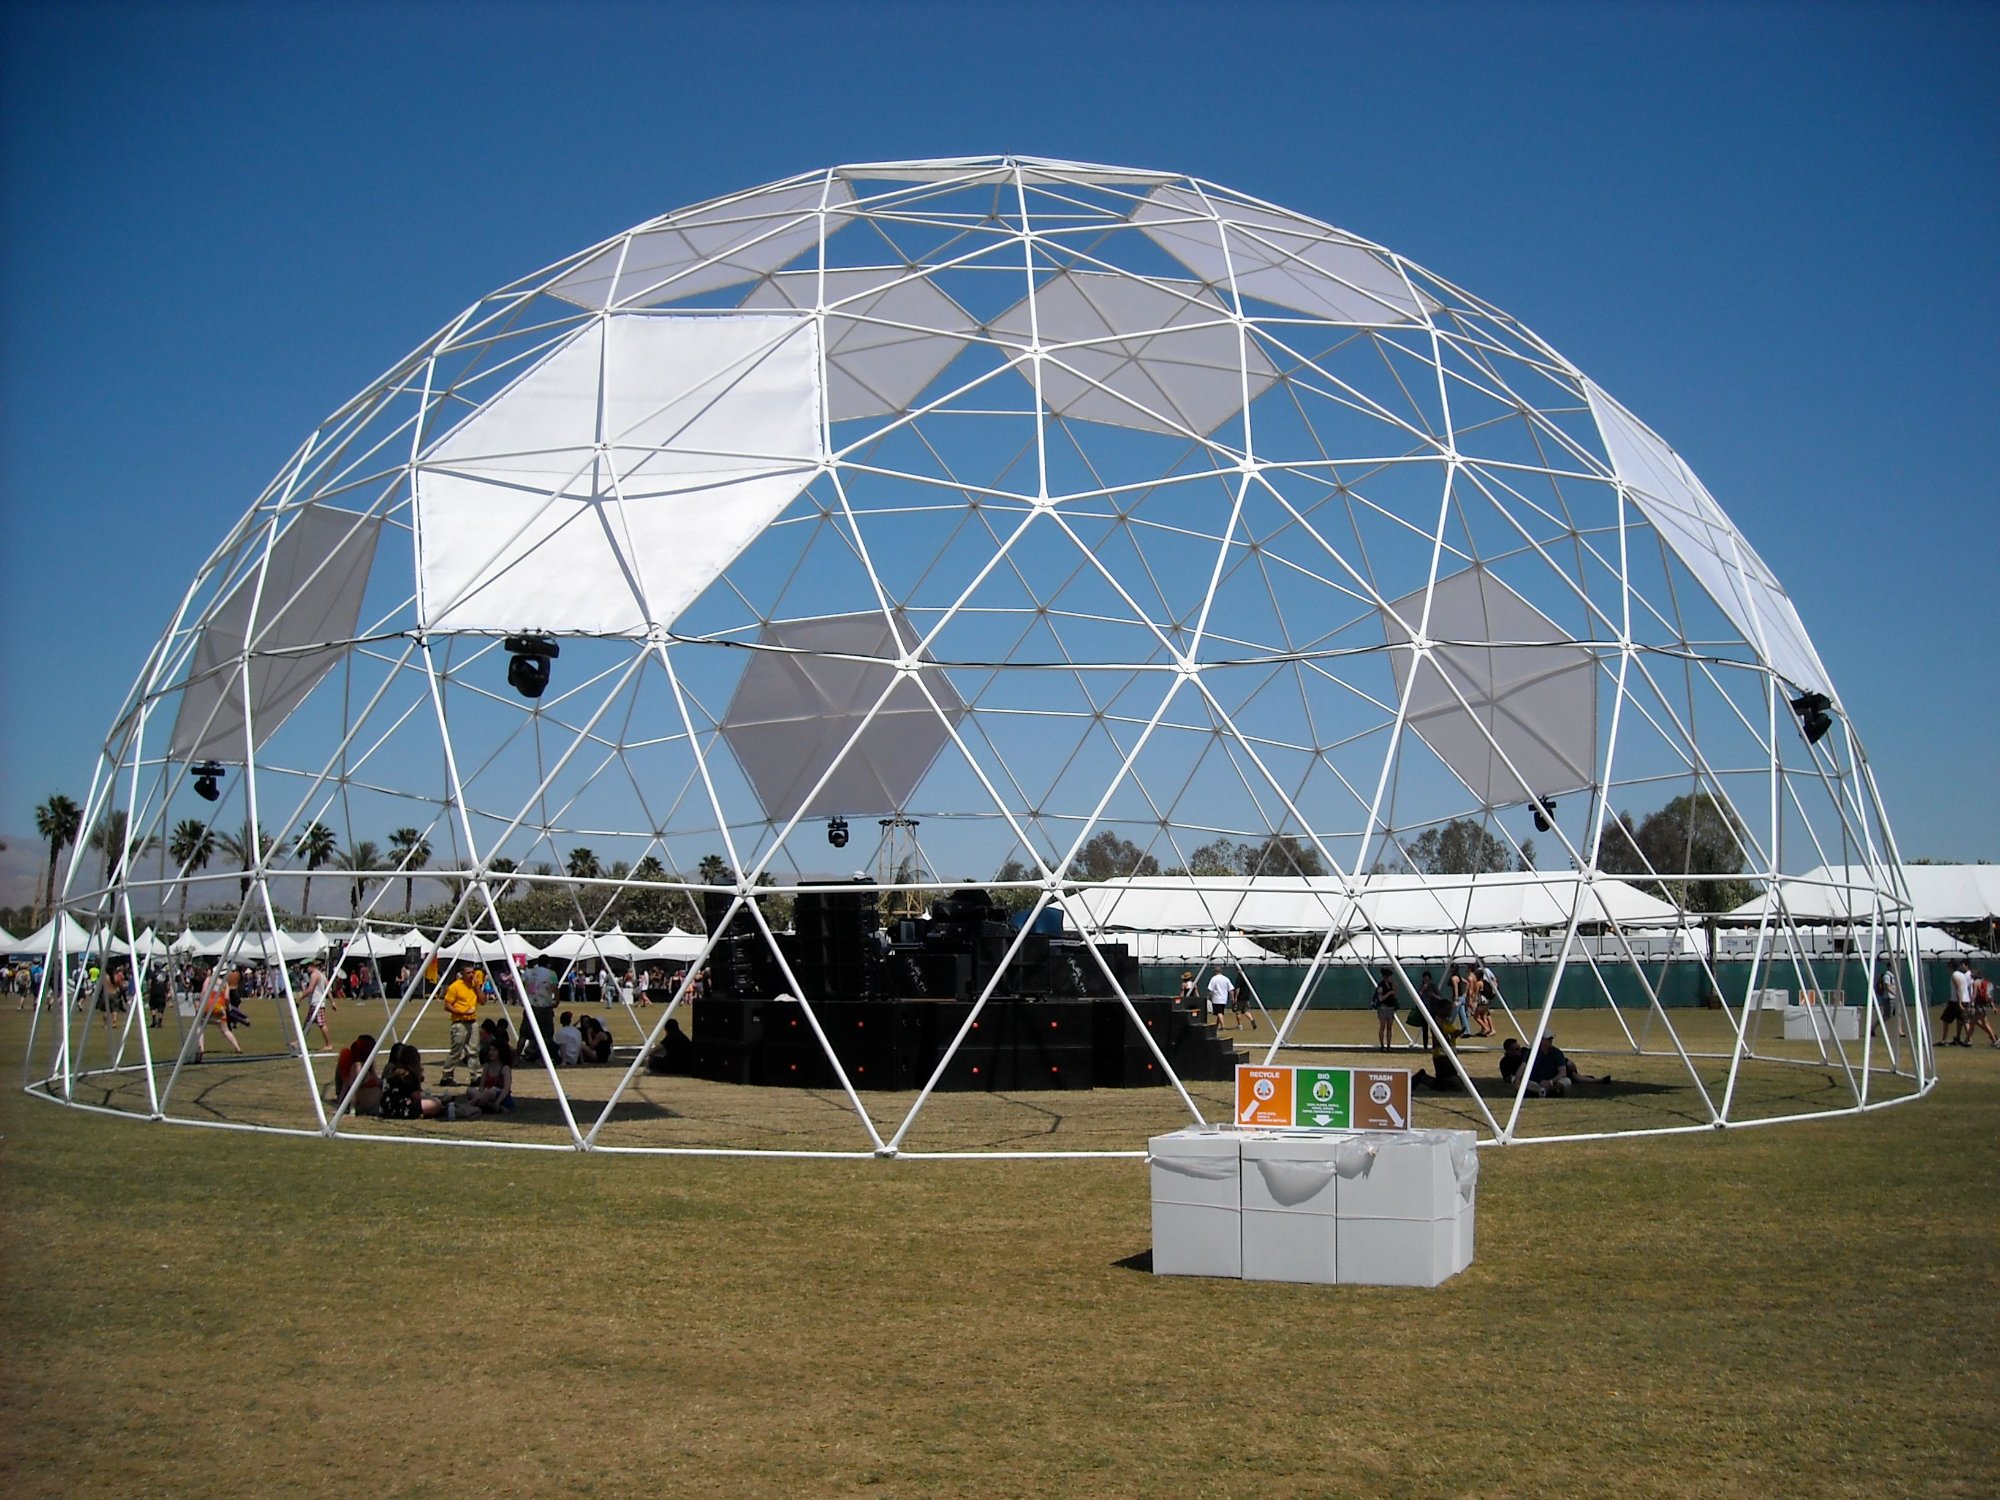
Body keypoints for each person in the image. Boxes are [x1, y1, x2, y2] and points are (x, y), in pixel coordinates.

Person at [1523, 1032, 1611, 1097]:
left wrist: (1551, 1081)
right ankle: (1542, 1091)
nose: (1551, 1041)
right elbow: (1522, 1070)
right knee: (1524, 1082)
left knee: (1570, 1079)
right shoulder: (1531, 1053)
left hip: (1555, 1077)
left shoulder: (1556, 1053)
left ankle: (1598, 1080)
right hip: (1537, 1080)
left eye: (1551, 1039)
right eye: (1548, 1039)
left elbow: (1563, 1072)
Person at [377, 1042, 448, 1119]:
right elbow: (417, 1096)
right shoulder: (407, 1075)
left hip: (385, 1109)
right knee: (434, 1104)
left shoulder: (393, 1071)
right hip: (400, 1109)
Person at [439, 965, 482, 1085]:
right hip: (459, 1022)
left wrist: (478, 987)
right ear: (462, 974)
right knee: (456, 1051)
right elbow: (447, 1005)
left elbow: (483, 1001)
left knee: (473, 1051)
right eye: (468, 973)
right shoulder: (455, 987)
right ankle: (446, 1076)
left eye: (473, 972)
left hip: (472, 1022)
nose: (471, 975)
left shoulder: (473, 987)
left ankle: (476, 1076)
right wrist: (462, 1012)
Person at [457, 1037, 514, 1115]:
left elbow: (506, 1088)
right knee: (470, 1090)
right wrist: (481, 1096)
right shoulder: (487, 1066)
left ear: (501, 1052)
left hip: (501, 1098)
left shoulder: (505, 1068)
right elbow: (481, 1087)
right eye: (490, 1050)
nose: (491, 1052)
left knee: (491, 1091)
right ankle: (487, 1106)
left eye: (494, 1050)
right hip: (487, 1095)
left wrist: (497, 1102)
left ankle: (464, 1107)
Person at [196, 964, 241, 1060]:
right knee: (225, 1030)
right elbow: (226, 998)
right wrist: (228, 1008)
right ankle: (237, 1047)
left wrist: (200, 1005)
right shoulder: (225, 984)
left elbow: (203, 991)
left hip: (207, 1007)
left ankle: (201, 1048)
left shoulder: (208, 980)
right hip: (219, 1008)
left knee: (200, 1027)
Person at [333, 1033, 383, 1115]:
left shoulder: (370, 1064)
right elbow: (351, 1089)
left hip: (376, 1100)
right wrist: (350, 1110)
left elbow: (377, 1081)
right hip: (371, 1105)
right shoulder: (356, 1067)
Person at [299, 961, 335, 1051]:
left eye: (306, 967)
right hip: (317, 1003)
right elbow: (328, 989)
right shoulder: (322, 975)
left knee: (321, 1024)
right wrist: (332, 1002)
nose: (306, 970)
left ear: (311, 966)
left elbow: (310, 988)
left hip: (317, 1003)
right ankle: (298, 1042)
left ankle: (329, 1044)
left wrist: (300, 998)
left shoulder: (314, 975)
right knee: (307, 1024)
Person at [1872, 963, 1905, 1040]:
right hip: (1889, 998)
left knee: (1898, 1014)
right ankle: (1872, 1027)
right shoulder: (1887, 976)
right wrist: (1894, 993)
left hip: (1895, 998)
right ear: (1890, 967)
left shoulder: (1894, 975)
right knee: (1887, 1016)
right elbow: (1886, 986)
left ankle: (1900, 1031)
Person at [1371, 967, 1400, 1050]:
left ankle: (1389, 1045)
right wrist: (1389, 993)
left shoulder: (1391, 985)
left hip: (1391, 1008)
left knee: (1389, 1027)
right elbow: (1380, 998)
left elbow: (1394, 995)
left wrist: (1394, 989)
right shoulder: (1381, 986)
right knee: (1382, 1026)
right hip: (1383, 1008)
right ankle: (1382, 1045)